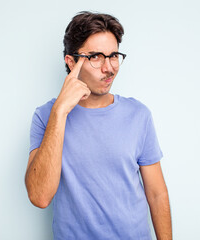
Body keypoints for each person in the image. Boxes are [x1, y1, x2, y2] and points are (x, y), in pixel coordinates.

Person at [25, 11, 172, 240]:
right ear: (71, 62)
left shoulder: (138, 115)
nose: (109, 68)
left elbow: (156, 194)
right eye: (96, 57)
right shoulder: (47, 116)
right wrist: (61, 112)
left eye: (113, 55)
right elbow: (39, 196)